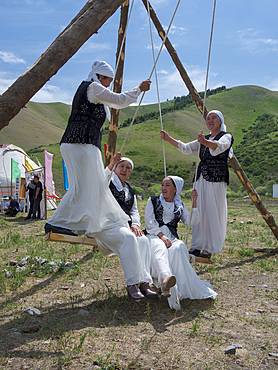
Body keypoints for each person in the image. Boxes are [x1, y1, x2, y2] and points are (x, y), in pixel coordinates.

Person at [45, 60, 152, 300]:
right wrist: (139, 89)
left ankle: (62, 221)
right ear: (100, 76)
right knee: (87, 187)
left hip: (80, 144)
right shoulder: (92, 88)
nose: (108, 84)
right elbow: (121, 100)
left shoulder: (91, 90)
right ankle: (59, 221)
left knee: (86, 187)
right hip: (81, 143)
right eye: (108, 80)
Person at [160, 110, 234, 258]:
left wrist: (204, 142)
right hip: (201, 178)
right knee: (199, 209)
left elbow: (219, 146)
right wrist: (168, 139)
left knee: (213, 211)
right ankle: (197, 245)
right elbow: (186, 148)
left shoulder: (226, 136)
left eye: (214, 118)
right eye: (208, 118)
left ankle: (210, 247)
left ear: (220, 121)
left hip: (217, 178)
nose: (211, 121)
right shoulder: (204, 138)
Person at [145, 175, 217, 309]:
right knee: (160, 247)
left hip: (171, 237)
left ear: (175, 189)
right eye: (162, 184)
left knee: (180, 247)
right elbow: (149, 223)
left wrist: (194, 202)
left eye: (167, 185)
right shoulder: (153, 201)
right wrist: (161, 236)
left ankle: (179, 287)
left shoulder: (179, 205)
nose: (163, 188)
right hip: (154, 235)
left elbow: (191, 222)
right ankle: (165, 280)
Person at [105, 155, 158, 299]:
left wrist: (135, 224)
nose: (124, 169)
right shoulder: (107, 181)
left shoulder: (130, 190)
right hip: (107, 225)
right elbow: (101, 178)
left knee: (142, 239)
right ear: (116, 168)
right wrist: (112, 163)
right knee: (129, 238)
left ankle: (144, 282)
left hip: (124, 226)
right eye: (121, 166)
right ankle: (132, 284)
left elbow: (134, 211)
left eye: (128, 168)